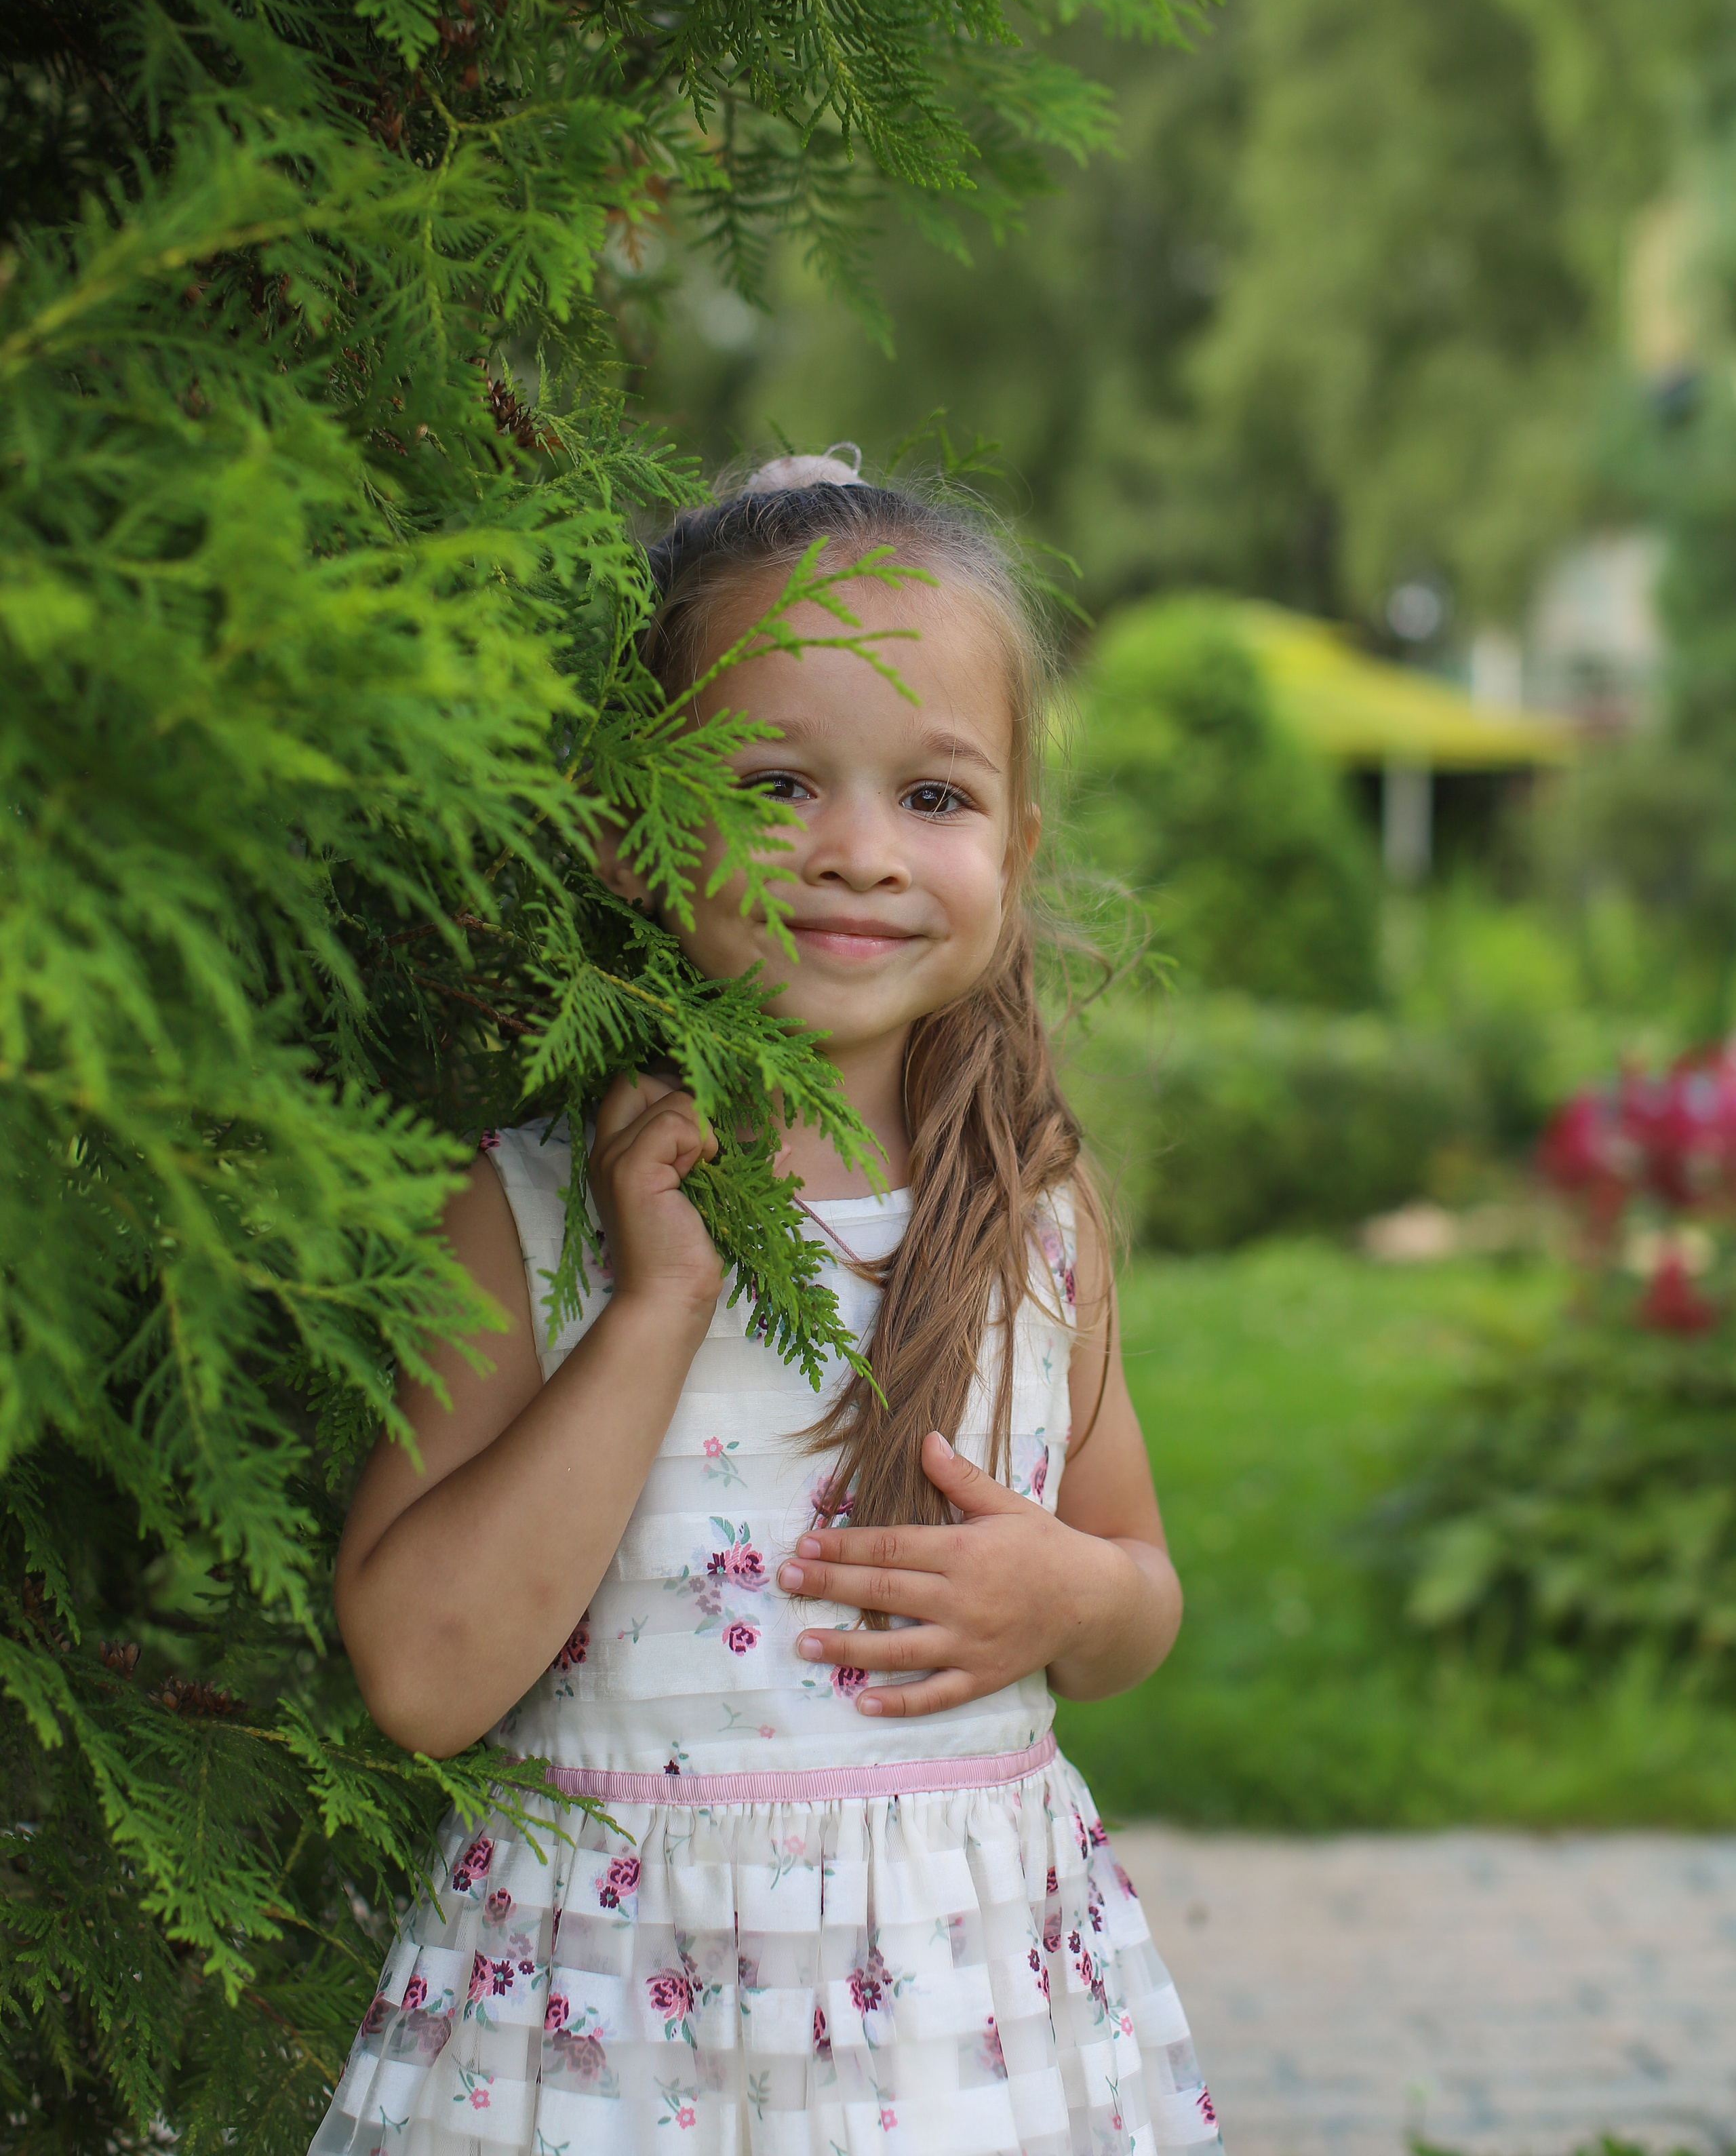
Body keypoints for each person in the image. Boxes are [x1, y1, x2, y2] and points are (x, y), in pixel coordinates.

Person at [309, 451, 1221, 2155]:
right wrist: (654, 1306)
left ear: (1015, 848)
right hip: (597, 2043)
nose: (860, 853)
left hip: (958, 2026)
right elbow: (422, 1676)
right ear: (629, 830)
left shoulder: (1028, 1226)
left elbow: (1141, 1593)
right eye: (773, 781)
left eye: (933, 800)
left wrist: (1066, 1595)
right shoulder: (528, 1215)